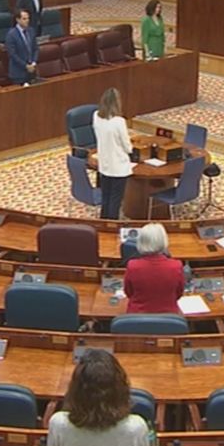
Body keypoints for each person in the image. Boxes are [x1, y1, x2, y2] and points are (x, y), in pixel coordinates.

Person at [122, 224, 183, 315]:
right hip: (168, 319)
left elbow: (129, 293)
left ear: (141, 241)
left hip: (137, 319)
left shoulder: (132, 266)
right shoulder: (176, 266)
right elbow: (178, 293)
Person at [93, 88, 132, 220]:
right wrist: (131, 149)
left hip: (104, 164)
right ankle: (112, 225)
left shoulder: (96, 116)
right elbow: (127, 146)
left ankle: (104, 222)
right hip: (118, 167)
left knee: (106, 197)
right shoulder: (119, 122)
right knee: (115, 199)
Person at [6, 9, 38, 85]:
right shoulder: (11, 35)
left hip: (31, 72)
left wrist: (33, 63)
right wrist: (25, 66)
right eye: (24, 19)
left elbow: (35, 49)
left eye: (28, 18)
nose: (27, 21)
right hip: (18, 73)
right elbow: (13, 55)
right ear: (17, 20)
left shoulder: (31, 31)